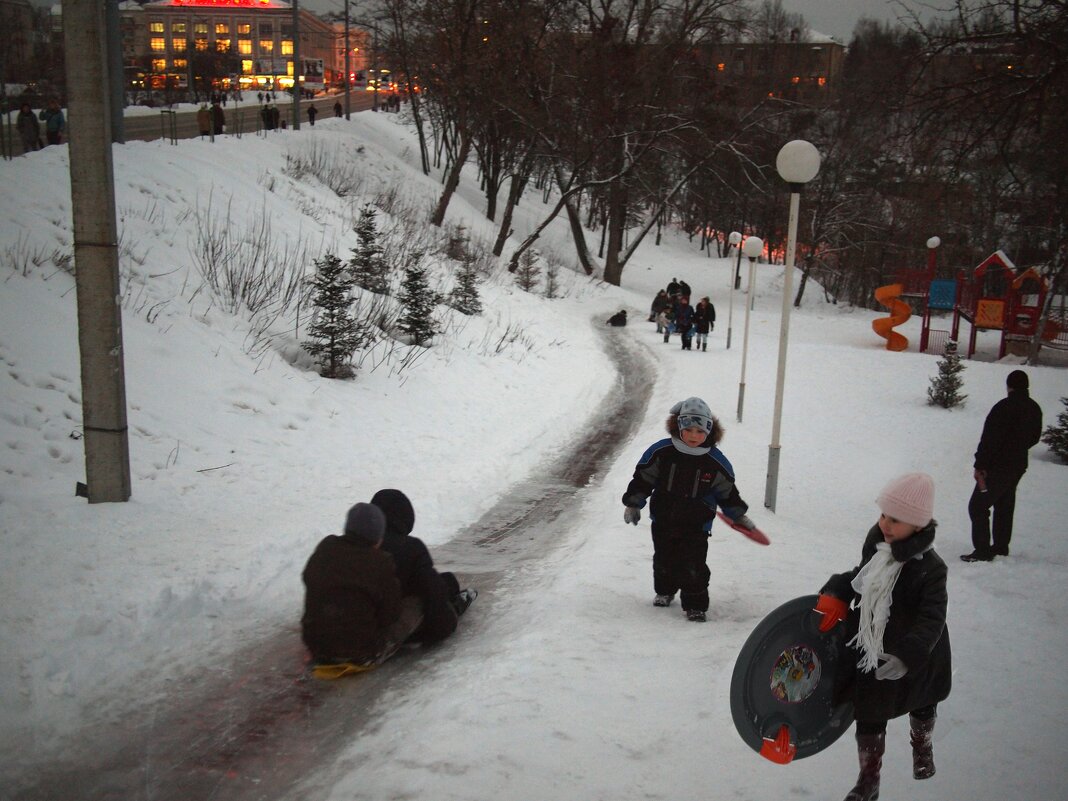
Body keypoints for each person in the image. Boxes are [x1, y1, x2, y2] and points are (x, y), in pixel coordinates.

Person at [814, 472, 951, 801]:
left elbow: (932, 618)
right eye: (884, 515)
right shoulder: (878, 545)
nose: (887, 524)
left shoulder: (931, 569)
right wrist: (836, 590)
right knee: (869, 712)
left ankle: (922, 747)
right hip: (874, 644)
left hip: (917, 650)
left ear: (918, 526)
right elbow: (862, 578)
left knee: (922, 703)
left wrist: (907, 656)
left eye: (897, 520)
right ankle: (868, 779)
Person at [622, 397, 756, 622]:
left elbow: (727, 492)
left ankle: (695, 605)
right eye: (689, 429)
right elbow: (644, 478)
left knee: (694, 564)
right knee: (664, 558)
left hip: (697, 524)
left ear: (709, 432)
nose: (694, 435)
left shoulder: (714, 461)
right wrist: (633, 504)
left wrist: (738, 515)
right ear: (679, 427)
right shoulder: (662, 452)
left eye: (699, 431)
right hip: (663, 518)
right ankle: (665, 591)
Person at [300, 502, 423, 666]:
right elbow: (390, 615)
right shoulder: (380, 561)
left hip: (316, 646)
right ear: (378, 537)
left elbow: (309, 577)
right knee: (414, 605)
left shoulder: (326, 547)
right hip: (362, 653)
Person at [371, 489, 477, 644]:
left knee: (443, 582)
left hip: (341, 627)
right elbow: (433, 596)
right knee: (443, 584)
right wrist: (448, 619)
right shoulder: (410, 548)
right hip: (377, 635)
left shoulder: (349, 547)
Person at [961, 369, 1043, 561]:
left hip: (997, 467)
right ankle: (1000, 547)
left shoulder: (1003, 407)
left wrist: (980, 464)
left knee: (978, 507)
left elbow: (990, 439)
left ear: (1009, 386)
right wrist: (1018, 448)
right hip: (1018, 465)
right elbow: (1035, 438)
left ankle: (982, 551)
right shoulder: (1034, 408)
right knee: (1004, 505)